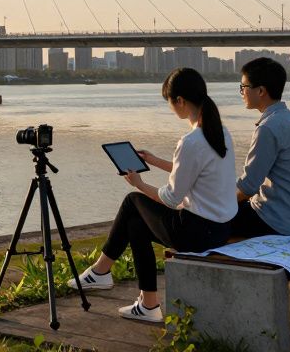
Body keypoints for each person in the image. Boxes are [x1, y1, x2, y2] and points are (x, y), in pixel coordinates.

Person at [68, 67, 237, 323]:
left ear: (180, 101)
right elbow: (195, 173)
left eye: (170, 102)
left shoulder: (191, 141)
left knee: (132, 202)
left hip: (197, 232)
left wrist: (138, 183)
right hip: (220, 227)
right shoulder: (220, 133)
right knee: (136, 225)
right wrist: (155, 161)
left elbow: (170, 198)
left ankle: (101, 271)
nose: (171, 108)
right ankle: (148, 304)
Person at [232, 57, 290, 238]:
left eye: (243, 87)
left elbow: (248, 188)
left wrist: (217, 203)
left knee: (202, 217)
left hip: (271, 221)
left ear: (261, 90)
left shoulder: (267, 128)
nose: (241, 93)